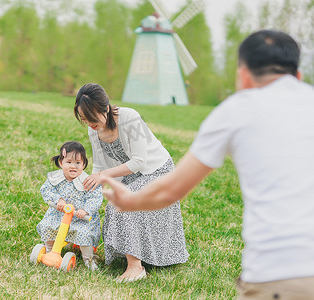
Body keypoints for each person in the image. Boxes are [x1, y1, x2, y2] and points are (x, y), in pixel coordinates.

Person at [101, 29, 314, 298]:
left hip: (276, 276)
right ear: (298, 76)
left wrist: (130, 202)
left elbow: (171, 190)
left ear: (243, 75)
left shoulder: (234, 111)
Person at [74, 83, 189, 282]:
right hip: (131, 176)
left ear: (106, 108)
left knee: (124, 204)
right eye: (84, 119)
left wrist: (103, 176)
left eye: (92, 118)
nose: (90, 124)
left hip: (158, 172)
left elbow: (139, 161)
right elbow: (99, 167)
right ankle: (130, 255)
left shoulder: (130, 118)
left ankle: (136, 268)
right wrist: (89, 187)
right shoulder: (94, 130)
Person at [37, 141, 103, 270]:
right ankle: (51, 250)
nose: (73, 166)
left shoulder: (87, 181)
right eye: (69, 162)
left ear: (83, 165)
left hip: (80, 218)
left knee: (84, 232)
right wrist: (58, 200)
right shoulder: (55, 179)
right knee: (47, 225)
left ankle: (88, 259)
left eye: (78, 163)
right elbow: (46, 189)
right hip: (59, 215)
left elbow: (95, 197)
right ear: (61, 163)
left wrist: (85, 210)